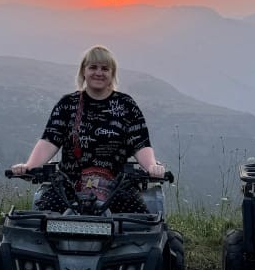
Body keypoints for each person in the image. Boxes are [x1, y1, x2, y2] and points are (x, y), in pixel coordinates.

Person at [11, 45, 164, 209]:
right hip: (69, 185)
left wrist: (151, 166)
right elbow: (50, 140)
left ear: (112, 73)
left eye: (105, 68)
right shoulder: (67, 104)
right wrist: (29, 166)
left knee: (141, 226)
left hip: (117, 186)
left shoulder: (126, 105)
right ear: (84, 71)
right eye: (93, 67)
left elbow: (140, 142)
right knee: (42, 221)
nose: (99, 72)